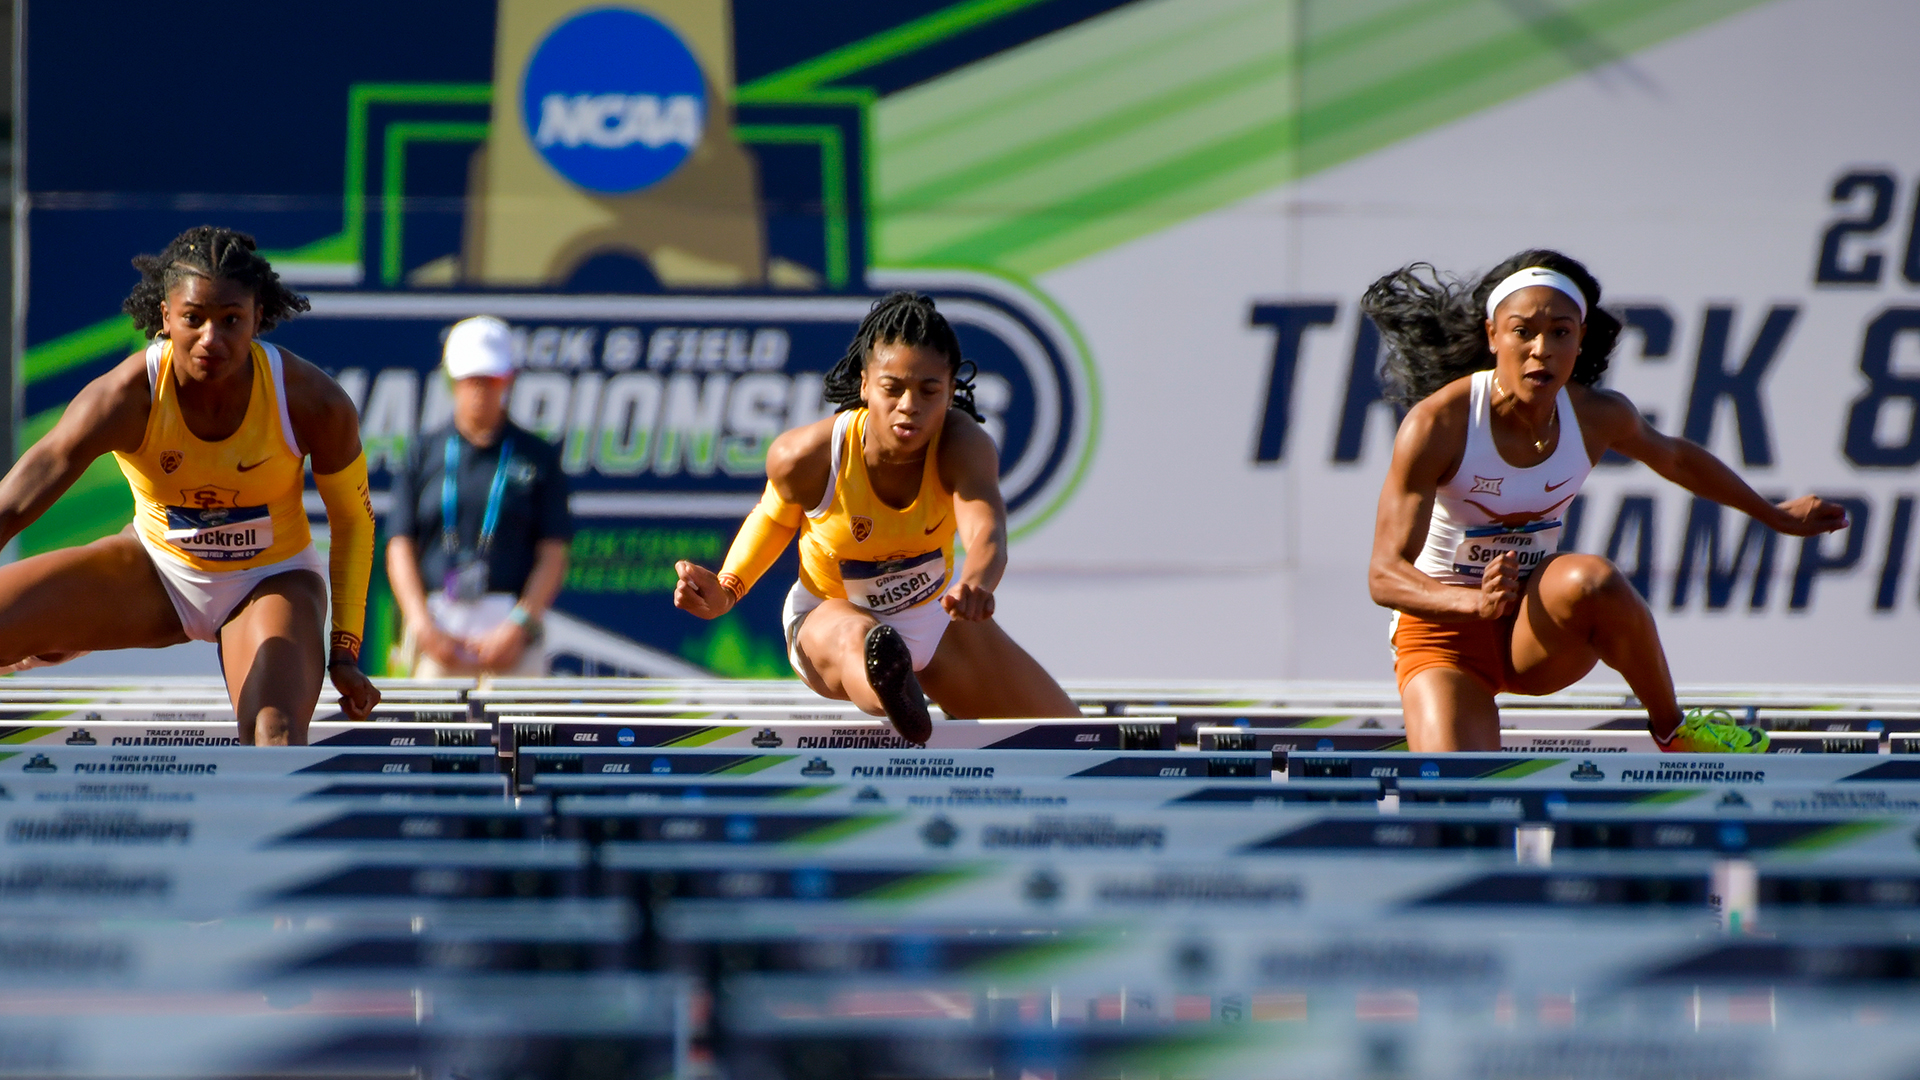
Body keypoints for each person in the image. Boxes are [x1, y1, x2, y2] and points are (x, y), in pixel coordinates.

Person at [1364, 250, 1848, 753]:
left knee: (1593, 581)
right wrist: (1474, 602)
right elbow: (1384, 574)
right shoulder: (1439, 424)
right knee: (1456, 800)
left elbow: (1676, 458)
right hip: (1443, 635)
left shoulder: (1596, 416)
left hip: (1534, 630)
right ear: (1492, 336)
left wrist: (1773, 515)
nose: (1541, 350)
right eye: (1522, 331)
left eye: (1560, 332)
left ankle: (1673, 729)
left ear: (1581, 339)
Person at [0, 226, 380, 742]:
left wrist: (346, 649)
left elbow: (354, 523)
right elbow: (15, 502)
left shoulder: (313, 401)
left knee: (275, 731)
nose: (211, 339)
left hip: (268, 580)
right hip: (157, 573)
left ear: (257, 319)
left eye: (230, 321)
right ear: (165, 317)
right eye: (193, 319)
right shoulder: (123, 397)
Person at [672, 292, 1076, 742]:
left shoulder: (963, 446)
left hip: (934, 617)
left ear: (950, 391)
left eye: (929, 391)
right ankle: (893, 690)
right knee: (857, 637)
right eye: (893, 388)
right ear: (865, 385)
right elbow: (773, 520)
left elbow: (986, 525)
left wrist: (978, 581)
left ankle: (899, 679)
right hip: (827, 617)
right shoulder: (806, 457)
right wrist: (728, 588)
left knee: (1073, 740)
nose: (910, 405)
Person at [386, 316, 571, 678]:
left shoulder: (537, 456)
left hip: (511, 628)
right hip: (438, 626)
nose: (479, 391)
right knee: (430, 733)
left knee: (525, 733)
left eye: (490, 379)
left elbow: (553, 553)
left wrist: (519, 625)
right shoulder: (422, 452)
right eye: (470, 379)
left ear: (508, 379)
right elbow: (399, 546)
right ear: (451, 381)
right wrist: (423, 625)